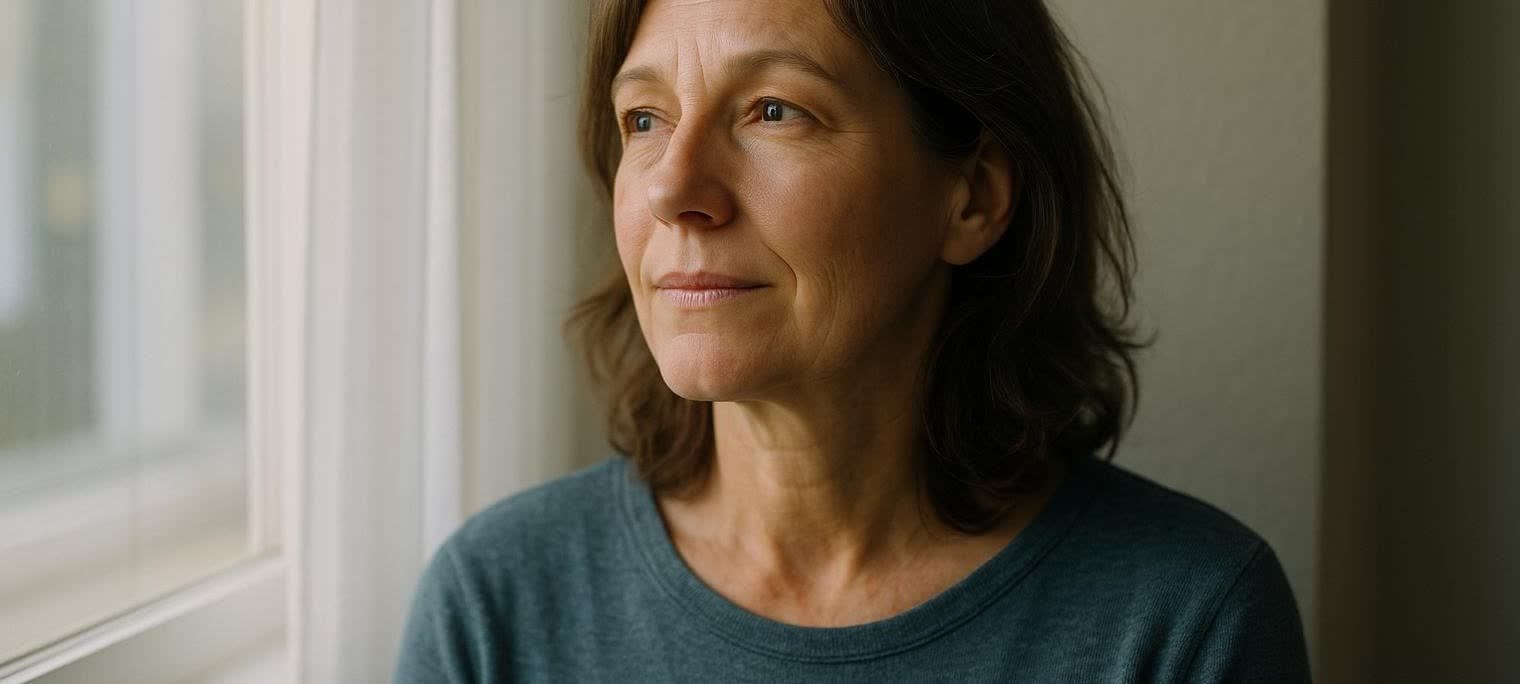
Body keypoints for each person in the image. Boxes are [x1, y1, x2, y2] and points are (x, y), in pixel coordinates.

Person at [395, 0, 1311, 680]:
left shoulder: (1185, 623)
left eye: (773, 111)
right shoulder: (497, 605)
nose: (675, 188)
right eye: (646, 118)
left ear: (974, 198)